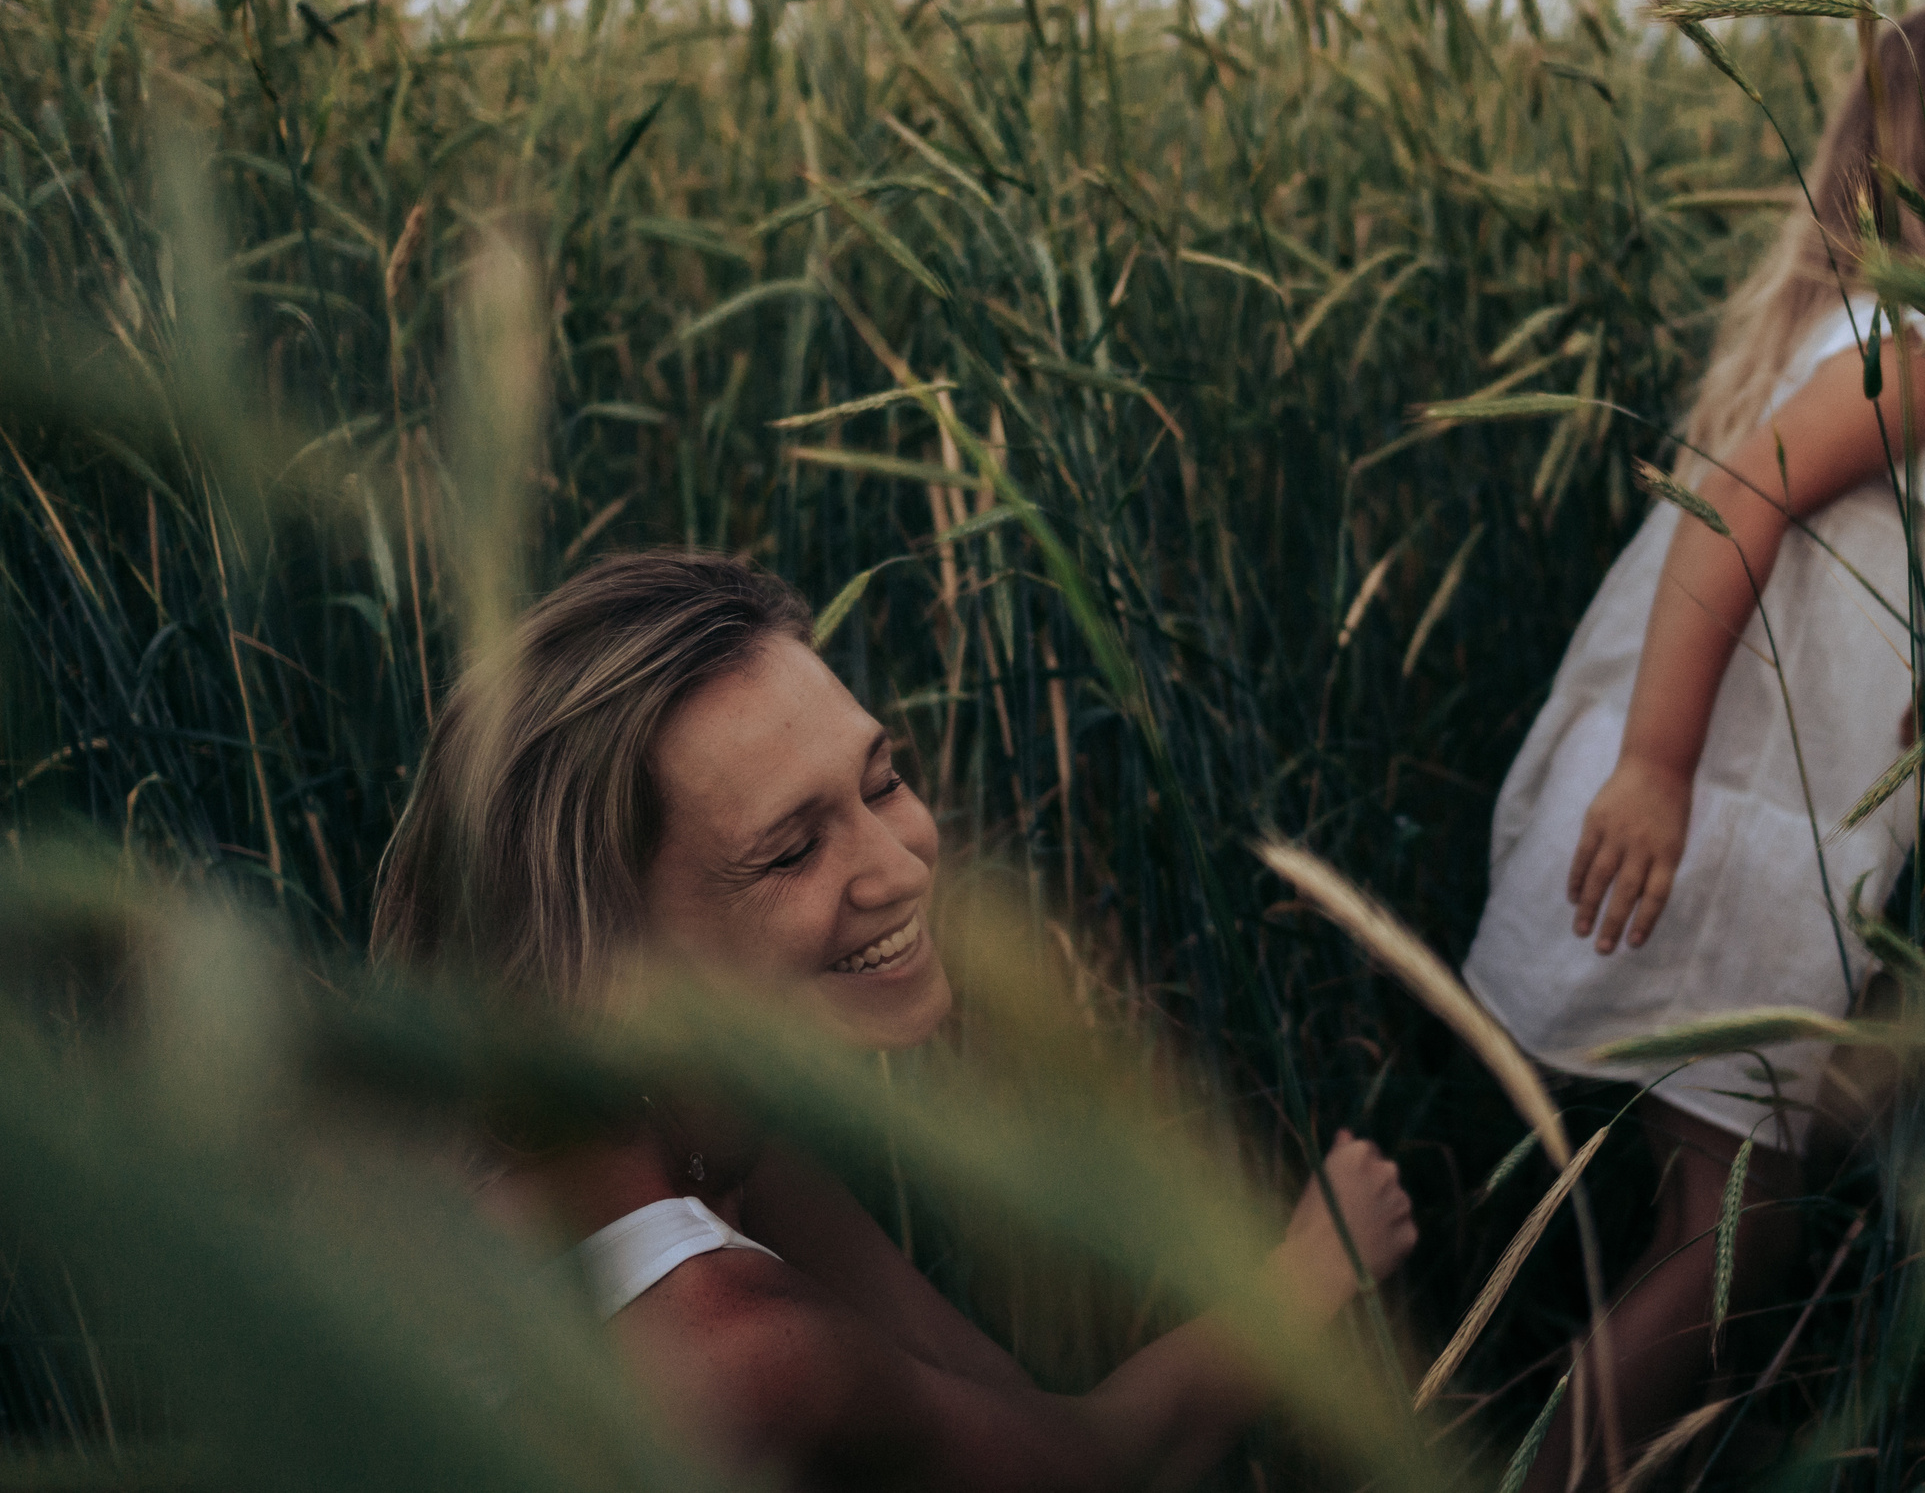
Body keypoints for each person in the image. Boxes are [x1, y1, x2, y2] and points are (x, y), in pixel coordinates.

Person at [371, 551, 1416, 1491]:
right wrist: (1310, 1275)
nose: (897, 864)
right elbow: (1087, 1470)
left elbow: (990, 1396)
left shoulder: (665, 1135)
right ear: (609, 958)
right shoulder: (736, 1350)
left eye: (884, 781)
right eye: (788, 854)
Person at [1461, 0, 1925, 1486]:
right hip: (1736, 820)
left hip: (1765, 816)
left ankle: (1634, 1447)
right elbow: (1732, 499)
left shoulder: (1876, 322)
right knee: (1738, 1232)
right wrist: (1657, 766)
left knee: (1728, 1204)